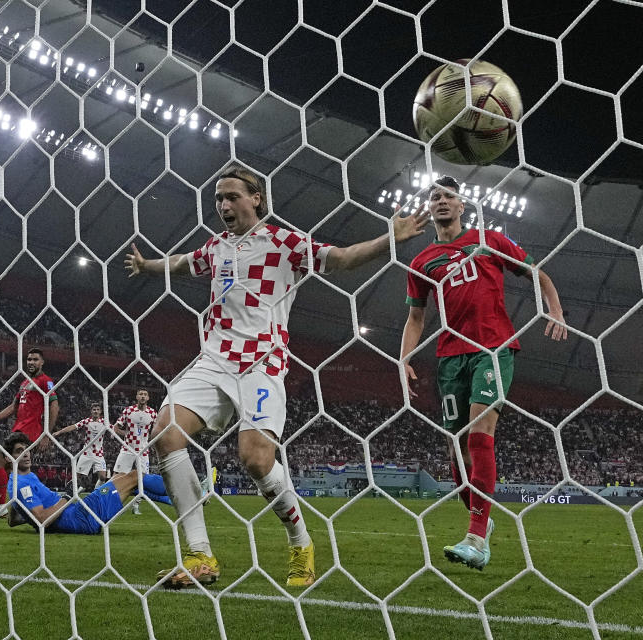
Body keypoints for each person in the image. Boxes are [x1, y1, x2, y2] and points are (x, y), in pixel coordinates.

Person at [125, 163, 430, 589]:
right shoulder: (217, 247)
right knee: (166, 433)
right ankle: (199, 556)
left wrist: (388, 238)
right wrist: (147, 266)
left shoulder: (285, 244)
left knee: (255, 459)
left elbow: (341, 259)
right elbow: (180, 263)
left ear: (257, 199)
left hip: (262, 363)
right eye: (218, 198)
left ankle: (300, 542)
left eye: (232, 196)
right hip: (214, 359)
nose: (223, 205)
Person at [400, 175, 567, 570]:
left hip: (493, 348)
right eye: (435, 196)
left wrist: (555, 309)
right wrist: (403, 358)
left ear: (462, 206)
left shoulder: (489, 240)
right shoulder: (421, 262)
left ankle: (476, 537)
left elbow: (536, 272)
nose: (441, 201)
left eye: (449, 196)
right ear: (429, 207)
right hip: (449, 356)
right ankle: (481, 521)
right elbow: (415, 316)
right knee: (456, 452)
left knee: (479, 434)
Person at [2, 433, 182, 534]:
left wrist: (15, 510)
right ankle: (188, 489)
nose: (26, 454)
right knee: (134, 477)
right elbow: (41, 520)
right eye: (19, 451)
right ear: (7, 458)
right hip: (80, 518)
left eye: (26, 450)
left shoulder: (22, 479)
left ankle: (177, 500)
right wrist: (67, 496)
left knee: (120, 478)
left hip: (78, 513)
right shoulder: (21, 485)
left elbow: (15, 519)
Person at [0, 348, 59, 521]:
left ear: (42, 362)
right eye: (29, 359)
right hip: (18, 430)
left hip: (28, 432)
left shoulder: (46, 381)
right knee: (12, 471)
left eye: (35, 359)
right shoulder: (24, 383)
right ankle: (25, 508)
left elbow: (54, 406)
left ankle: (5, 507)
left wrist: (47, 434)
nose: (31, 362)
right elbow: (13, 408)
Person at [111, 389, 157, 514]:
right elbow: (116, 427)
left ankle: (136, 506)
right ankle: (110, 501)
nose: (143, 396)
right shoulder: (128, 411)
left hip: (143, 451)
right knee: (117, 476)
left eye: (145, 395)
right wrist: (125, 434)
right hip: (127, 449)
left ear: (148, 398)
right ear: (137, 397)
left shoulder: (152, 413)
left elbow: (157, 430)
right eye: (141, 394)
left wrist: (150, 441)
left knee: (143, 479)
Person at [52, 402, 110, 492]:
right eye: (94, 409)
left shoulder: (104, 423)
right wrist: (59, 432)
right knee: (77, 476)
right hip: (87, 453)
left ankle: (95, 493)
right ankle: (69, 492)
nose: (96, 411)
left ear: (100, 411)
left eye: (98, 410)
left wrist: (125, 433)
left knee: (103, 477)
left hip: (99, 454)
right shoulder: (86, 421)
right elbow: (73, 427)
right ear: (91, 411)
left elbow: (114, 429)